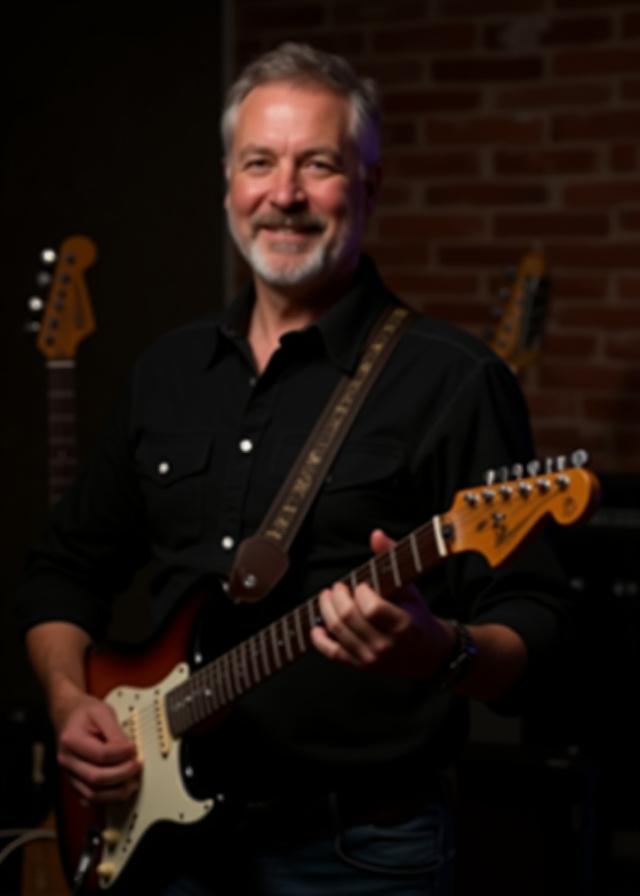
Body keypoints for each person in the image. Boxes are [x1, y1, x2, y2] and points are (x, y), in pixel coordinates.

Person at [15, 42, 572, 895]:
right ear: (230, 186)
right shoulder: (166, 372)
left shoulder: (454, 380)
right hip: (163, 843)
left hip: (360, 851)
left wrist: (440, 652)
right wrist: (66, 702)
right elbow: (64, 570)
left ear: (369, 188)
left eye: (319, 164)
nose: (285, 194)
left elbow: (535, 625)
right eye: (259, 164)